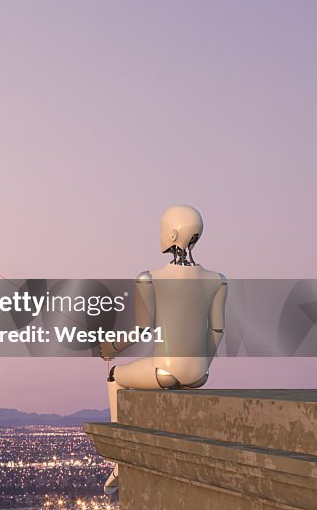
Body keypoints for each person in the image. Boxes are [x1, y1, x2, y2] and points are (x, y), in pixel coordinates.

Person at [99, 205, 227, 495]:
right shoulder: (217, 280)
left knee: (116, 378)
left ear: (171, 233)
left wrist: (111, 348)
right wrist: (202, 365)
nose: (159, 235)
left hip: (165, 370)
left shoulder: (149, 278)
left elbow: (143, 330)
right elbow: (217, 330)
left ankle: (119, 459)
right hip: (200, 374)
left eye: (161, 229)